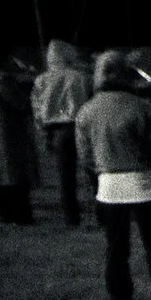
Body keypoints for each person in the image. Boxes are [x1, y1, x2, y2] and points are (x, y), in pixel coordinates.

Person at [74, 50, 151, 300]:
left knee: (115, 249)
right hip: (143, 183)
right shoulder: (142, 107)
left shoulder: (87, 111)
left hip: (109, 186)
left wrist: (102, 170)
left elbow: (85, 156)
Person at [31, 39, 92, 225]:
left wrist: (42, 130)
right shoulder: (80, 77)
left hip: (56, 130)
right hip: (79, 125)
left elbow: (37, 107)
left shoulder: (42, 80)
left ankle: (70, 217)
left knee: (65, 176)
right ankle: (104, 211)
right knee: (92, 170)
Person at [0, 45, 42, 226]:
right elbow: (19, 103)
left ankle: (4, 214)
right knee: (15, 175)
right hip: (9, 133)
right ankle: (21, 215)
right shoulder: (2, 79)